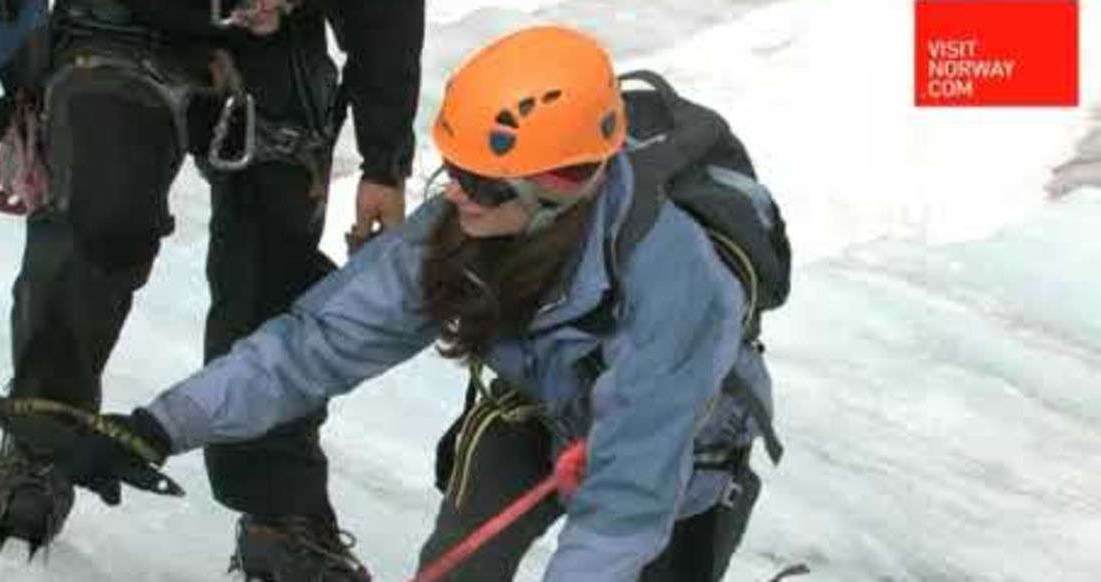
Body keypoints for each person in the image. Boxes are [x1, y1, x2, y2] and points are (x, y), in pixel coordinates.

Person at [61, 25, 778, 581]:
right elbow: (313, 348)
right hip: (540, 408)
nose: (457, 192)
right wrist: (158, 427)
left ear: (559, 184)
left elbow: (625, 503)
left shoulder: (676, 287)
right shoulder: (463, 227)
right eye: (456, 170)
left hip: (682, 458)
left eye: (485, 182)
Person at [0, 0, 422, 580]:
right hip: (116, 25)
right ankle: (43, 429)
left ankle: (277, 506)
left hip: (273, 48)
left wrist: (386, 159)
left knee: (272, 274)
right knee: (101, 211)